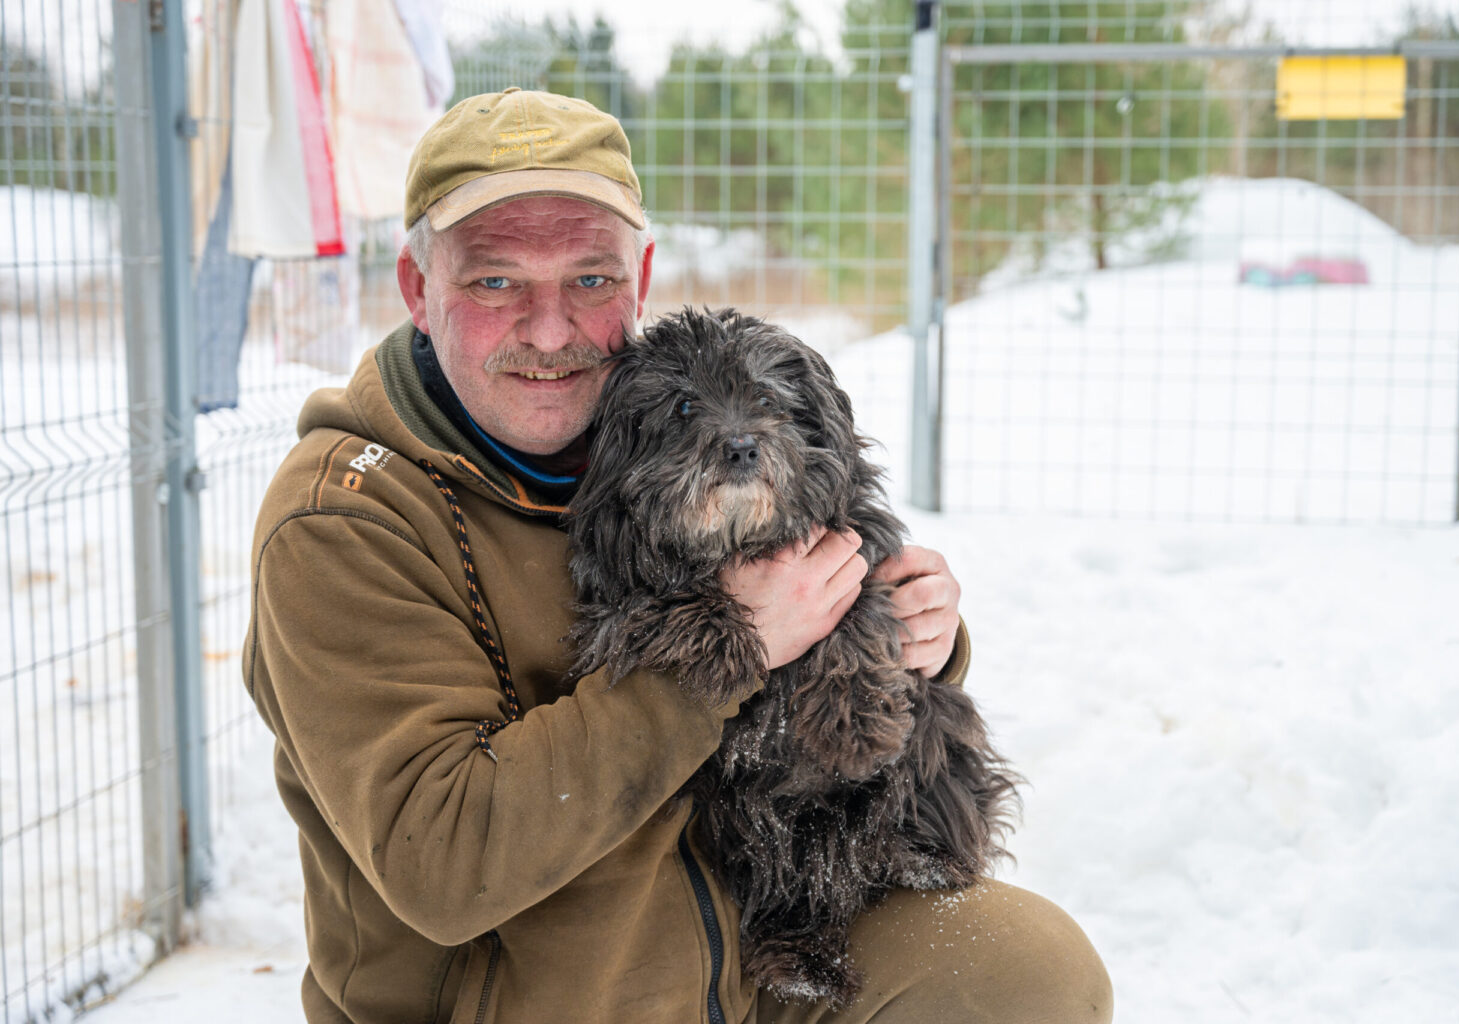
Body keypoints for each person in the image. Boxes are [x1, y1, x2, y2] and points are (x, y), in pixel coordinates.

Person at [245, 87, 1111, 1024]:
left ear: (641, 277)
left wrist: (896, 625)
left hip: (744, 943)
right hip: (547, 1000)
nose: (550, 330)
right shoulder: (345, 522)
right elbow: (443, 861)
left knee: (1028, 972)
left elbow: (810, 575)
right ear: (419, 290)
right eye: (496, 282)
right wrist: (734, 643)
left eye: (590, 279)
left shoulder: (653, 430)